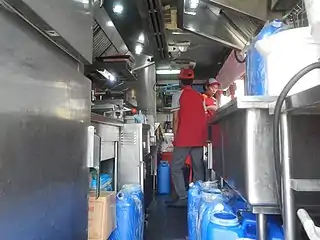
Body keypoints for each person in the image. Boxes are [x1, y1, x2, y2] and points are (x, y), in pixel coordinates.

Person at [168, 68, 207, 207]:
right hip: (198, 138)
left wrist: (175, 136)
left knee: (176, 167)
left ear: (180, 81)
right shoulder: (200, 97)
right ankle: (198, 197)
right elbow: (203, 116)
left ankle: (183, 197)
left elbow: (176, 119)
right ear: (192, 81)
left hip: (184, 137)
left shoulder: (178, 95)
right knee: (198, 167)